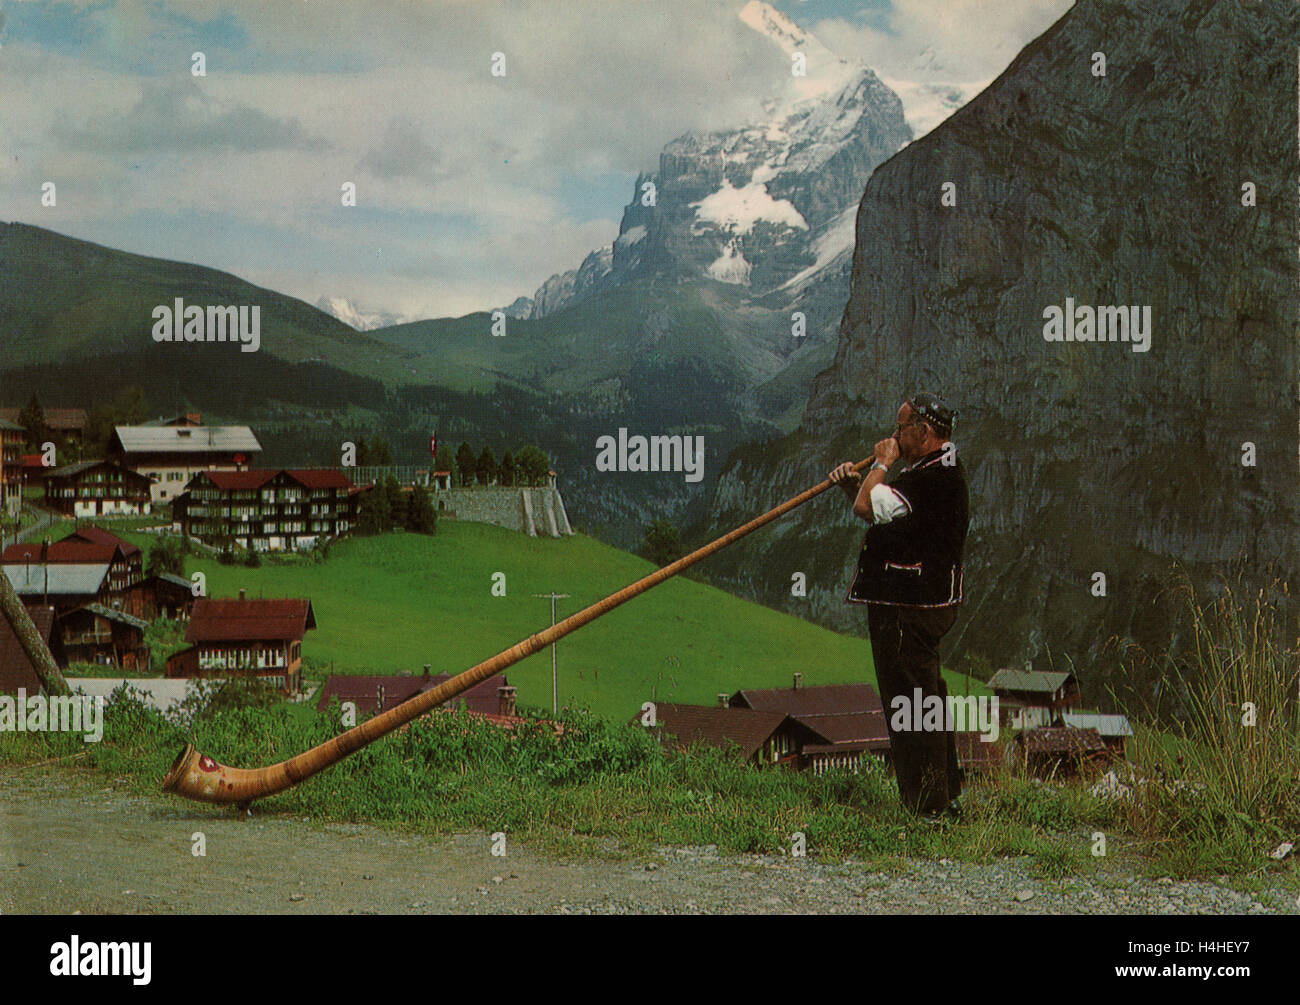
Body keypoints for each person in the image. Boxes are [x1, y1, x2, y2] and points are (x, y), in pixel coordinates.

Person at [828, 392, 969, 817]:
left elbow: (868, 506)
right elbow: (884, 512)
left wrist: (879, 466)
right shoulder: (937, 469)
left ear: (923, 432)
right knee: (927, 699)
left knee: (909, 703)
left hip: (909, 608)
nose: (894, 436)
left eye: (901, 429)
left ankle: (928, 810)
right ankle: (946, 794)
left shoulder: (929, 477)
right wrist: (857, 482)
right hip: (924, 604)